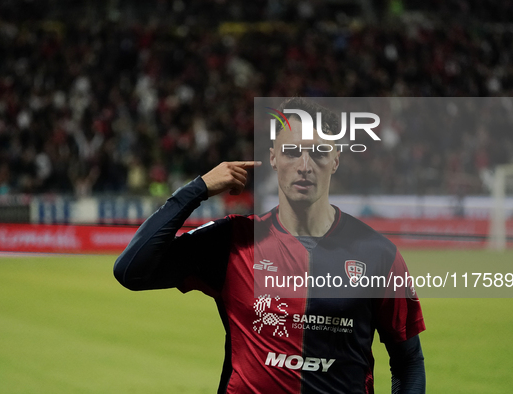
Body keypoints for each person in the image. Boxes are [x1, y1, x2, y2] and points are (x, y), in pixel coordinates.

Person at [114, 97, 426, 393]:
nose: (304, 165)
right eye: (292, 151)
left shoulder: (377, 254)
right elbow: (131, 270)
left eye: (318, 153)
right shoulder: (233, 241)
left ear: (335, 161)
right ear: (273, 158)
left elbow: (408, 362)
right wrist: (197, 189)